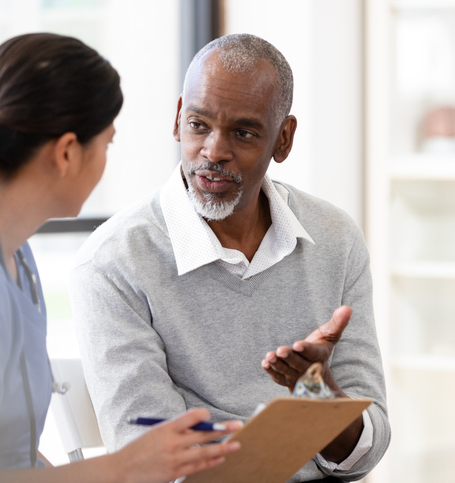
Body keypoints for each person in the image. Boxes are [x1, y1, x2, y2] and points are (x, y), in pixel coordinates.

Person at [0, 33, 241, 483]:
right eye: (107, 143)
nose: (106, 159)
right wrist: (122, 468)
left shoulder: (13, 256)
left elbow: (9, 459)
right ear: (66, 152)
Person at [69, 33, 390, 482]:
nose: (214, 152)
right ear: (179, 119)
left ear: (283, 138)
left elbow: (368, 448)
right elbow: (151, 460)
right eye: (199, 125)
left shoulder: (334, 237)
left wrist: (320, 397)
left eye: (243, 132)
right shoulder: (113, 263)